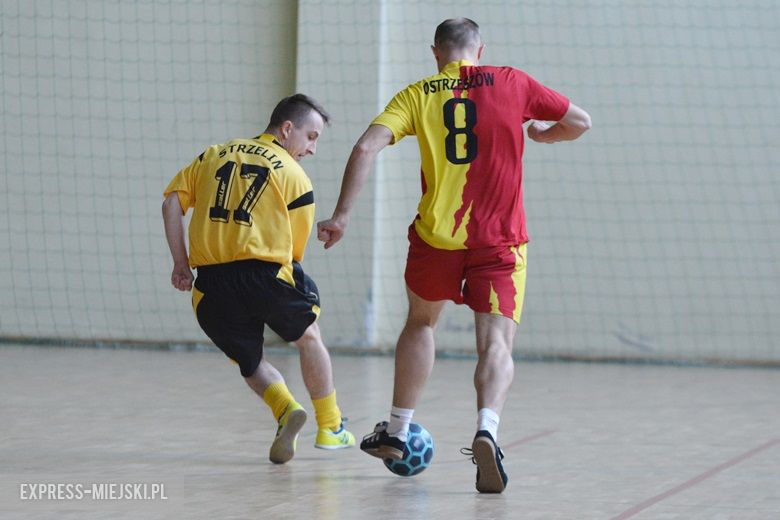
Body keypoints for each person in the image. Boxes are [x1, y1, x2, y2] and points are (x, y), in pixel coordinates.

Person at [317, 19, 591, 492]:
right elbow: (580, 121)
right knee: (496, 344)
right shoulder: (513, 81)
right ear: (480, 49)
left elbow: (365, 147)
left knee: (421, 324)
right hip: (500, 241)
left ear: (435, 52)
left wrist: (341, 216)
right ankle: (487, 429)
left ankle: (398, 429)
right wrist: (547, 135)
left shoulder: (418, 93)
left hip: (436, 238)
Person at [162, 93, 355, 465]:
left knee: (248, 360)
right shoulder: (294, 175)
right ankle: (330, 427)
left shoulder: (212, 155)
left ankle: (285, 409)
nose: (312, 149)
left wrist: (180, 264)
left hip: (212, 285)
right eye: (311, 137)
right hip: (267, 275)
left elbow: (171, 202)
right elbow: (294, 252)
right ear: (286, 129)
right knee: (308, 335)